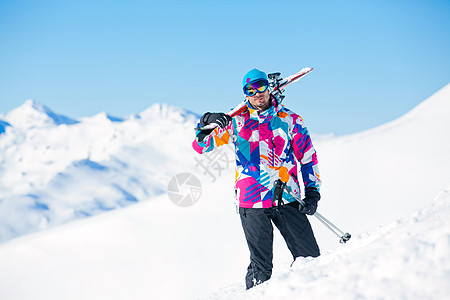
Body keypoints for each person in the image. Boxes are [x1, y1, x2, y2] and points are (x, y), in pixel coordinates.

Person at [192, 68, 321, 289]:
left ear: (268, 87)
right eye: (249, 89)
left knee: (309, 257)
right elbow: (200, 146)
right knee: (261, 268)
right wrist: (206, 120)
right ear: (245, 93)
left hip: (287, 196)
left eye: (261, 86)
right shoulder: (236, 122)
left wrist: (312, 191)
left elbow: (308, 157)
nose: (256, 93)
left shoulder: (290, 120)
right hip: (251, 202)